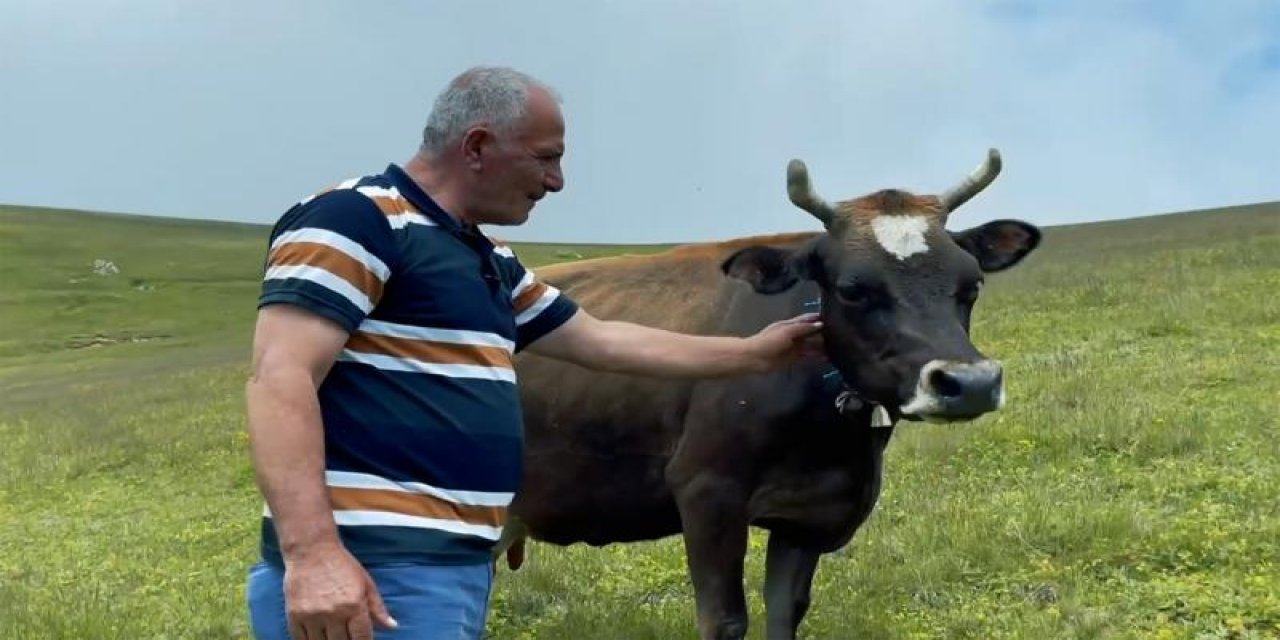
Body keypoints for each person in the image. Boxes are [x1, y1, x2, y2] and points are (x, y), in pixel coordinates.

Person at [243, 65, 824, 640]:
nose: (557, 181)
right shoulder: (356, 220)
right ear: (477, 146)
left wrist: (757, 354)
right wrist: (313, 554)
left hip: (446, 569)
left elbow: (601, 339)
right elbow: (280, 377)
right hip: (373, 569)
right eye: (546, 157)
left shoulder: (484, 256)